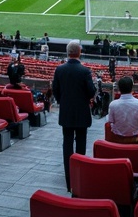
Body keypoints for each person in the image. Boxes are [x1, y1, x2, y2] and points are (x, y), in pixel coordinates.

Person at [53, 41, 96, 190]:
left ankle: (69, 181)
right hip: (82, 113)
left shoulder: (59, 70)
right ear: (79, 52)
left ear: (68, 52)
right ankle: (79, 179)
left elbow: (55, 91)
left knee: (67, 145)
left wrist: (63, 102)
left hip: (66, 113)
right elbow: (91, 92)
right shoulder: (85, 71)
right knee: (81, 145)